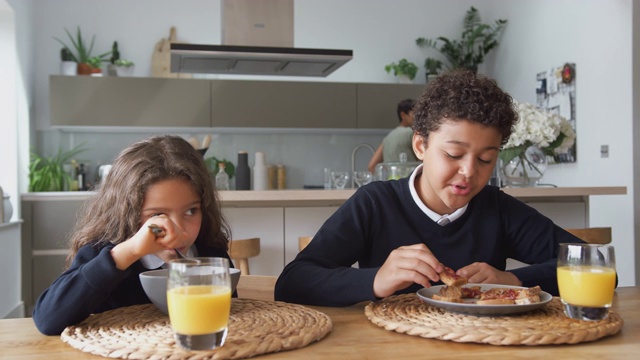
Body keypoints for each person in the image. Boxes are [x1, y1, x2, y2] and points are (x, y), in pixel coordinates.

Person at [275, 70, 585, 307]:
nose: (469, 172)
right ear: (421, 145)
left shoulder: (497, 208)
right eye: (453, 155)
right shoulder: (375, 203)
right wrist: (376, 280)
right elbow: (292, 283)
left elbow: (592, 265)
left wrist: (515, 279)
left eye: (486, 159)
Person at [33, 135, 233, 335]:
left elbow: (232, 317)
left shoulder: (210, 251)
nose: (178, 229)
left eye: (191, 211)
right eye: (157, 215)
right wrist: (128, 252)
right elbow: (47, 320)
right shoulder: (102, 253)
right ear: (128, 213)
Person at [367, 98, 419, 172]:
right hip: (409, 180)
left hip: (392, 181)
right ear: (403, 115)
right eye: (415, 114)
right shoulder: (411, 133)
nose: (418, 118)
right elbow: (424, 162)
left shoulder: (388, 138)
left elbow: (371, 166)